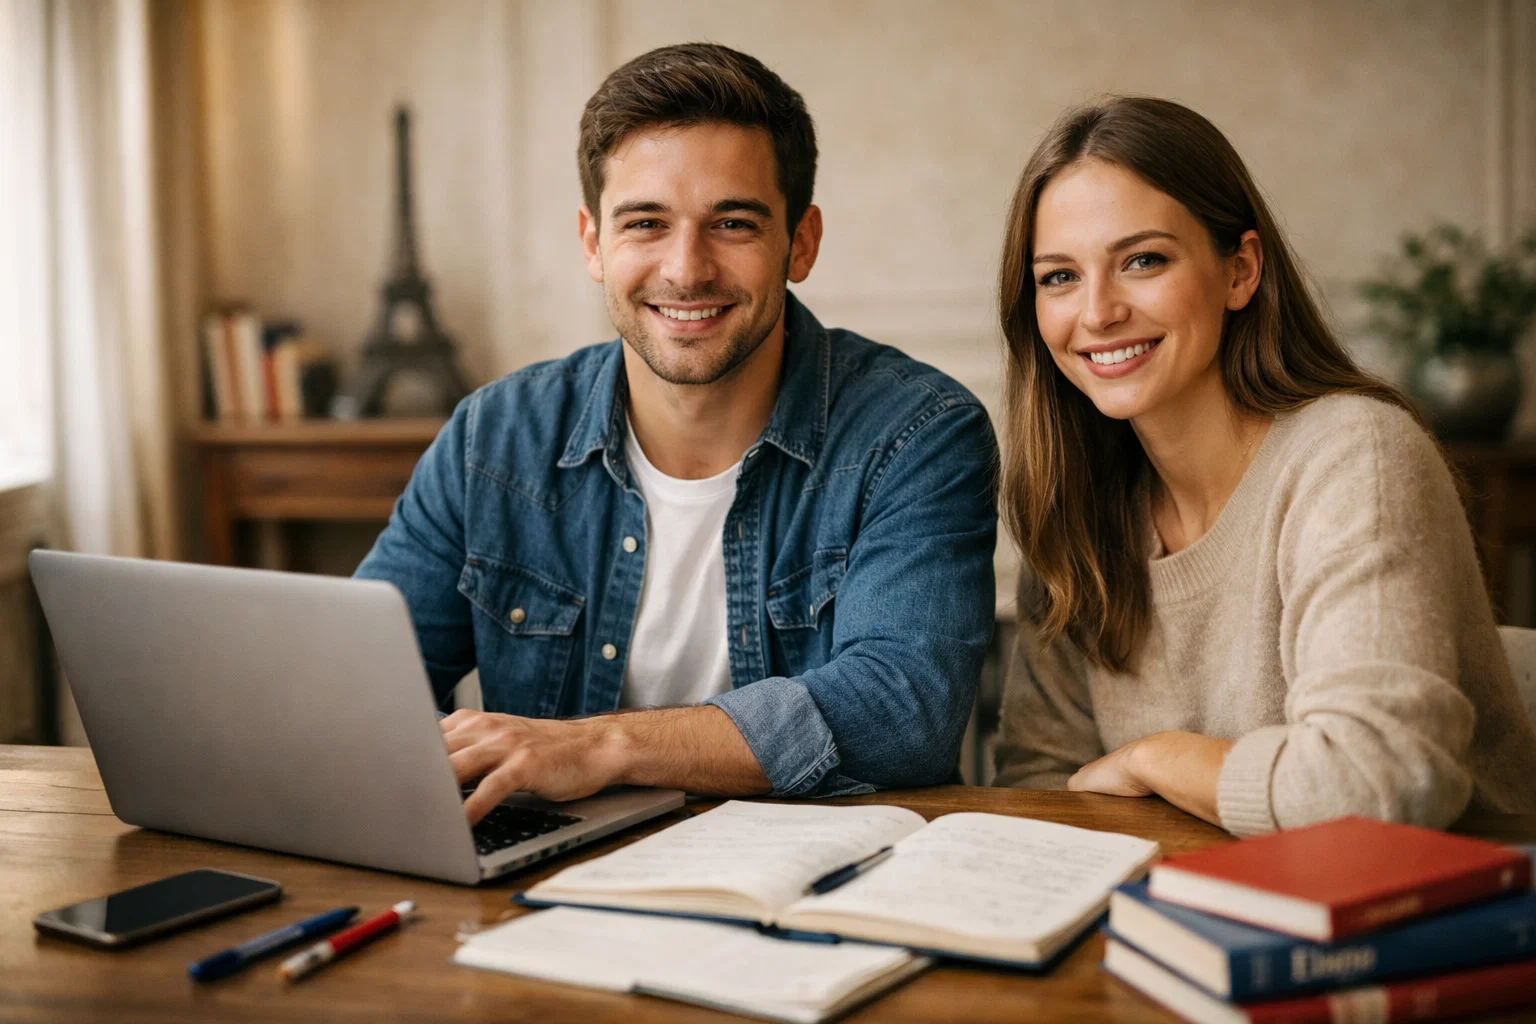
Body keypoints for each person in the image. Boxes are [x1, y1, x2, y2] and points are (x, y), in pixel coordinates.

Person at [356, 43, 997, 824]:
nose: (686, 269)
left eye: (732, 222)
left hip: (816, 898)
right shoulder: (491, 440)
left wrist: (601, 747)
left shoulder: (917, 434)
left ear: (800, 242)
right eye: (646, 224)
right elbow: (359, 695)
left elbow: (904, 710)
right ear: (593, 242)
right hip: (548, 893)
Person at [990, 96, 1536, 836]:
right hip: (1192, 917)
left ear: (1241, 271)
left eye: (1142, 260)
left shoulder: (1357, 456)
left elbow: (1381, 782)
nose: (1098, 311)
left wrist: (1157, 760)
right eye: (1059, 277)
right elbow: (1041, 791)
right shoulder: (1077, 507)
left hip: (1435, 921)